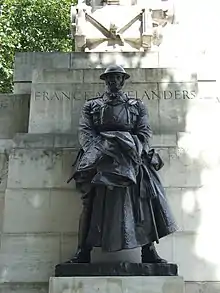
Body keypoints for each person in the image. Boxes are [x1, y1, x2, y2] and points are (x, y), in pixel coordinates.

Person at [67, 65, 177, 263]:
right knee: (89, 203)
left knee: (146, 198)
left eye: (117, 78)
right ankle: (83, 251)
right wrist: (102, 150)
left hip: (131, 156)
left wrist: (134, 148)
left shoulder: (137, 105)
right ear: (105, 80)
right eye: (110, 78)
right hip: (100, 156)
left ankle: (148, 251)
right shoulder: (92, 106)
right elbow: (85, 132)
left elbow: (144, 132)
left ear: (123, 80)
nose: (113, 81)